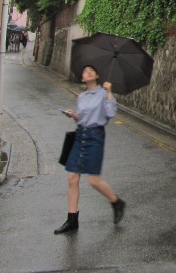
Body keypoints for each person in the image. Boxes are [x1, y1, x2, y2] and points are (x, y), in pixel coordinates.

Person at [54, 64, 125, 234]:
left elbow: (110, 113)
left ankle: (116, 202)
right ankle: (72, 220)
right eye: (85, 71)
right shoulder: (82, 96)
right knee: (72, 177)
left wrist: (109, 93)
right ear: (82, 78)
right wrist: (73, 115)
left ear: (97, 75)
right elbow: (81, 119)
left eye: (91, 70)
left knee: (94, 181)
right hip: (81, 135)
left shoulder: (103, 93)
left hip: (95, 137)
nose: (88, 71)